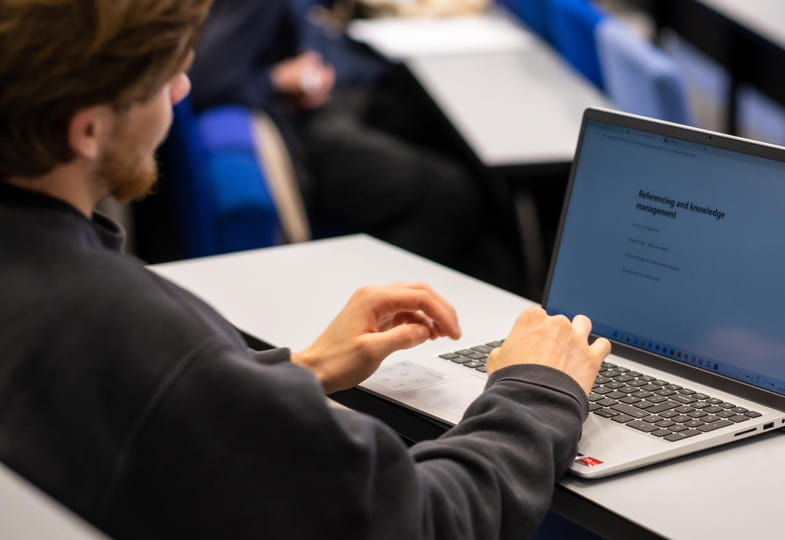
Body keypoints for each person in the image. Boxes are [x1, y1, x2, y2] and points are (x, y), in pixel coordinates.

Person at [0, 1, 610, 538]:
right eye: (164, 76)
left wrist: (295, 372)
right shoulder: (125, 329)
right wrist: (535, 392)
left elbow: (131, 407)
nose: (183, 89)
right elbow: (422, 521)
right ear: (87, 129)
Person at [189, 0, 521, 290]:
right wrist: (280, 81)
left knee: (435, 123)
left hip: (327, 99)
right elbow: (205, 81)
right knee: (449, 193)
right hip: (296, 128)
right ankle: (394, 323)